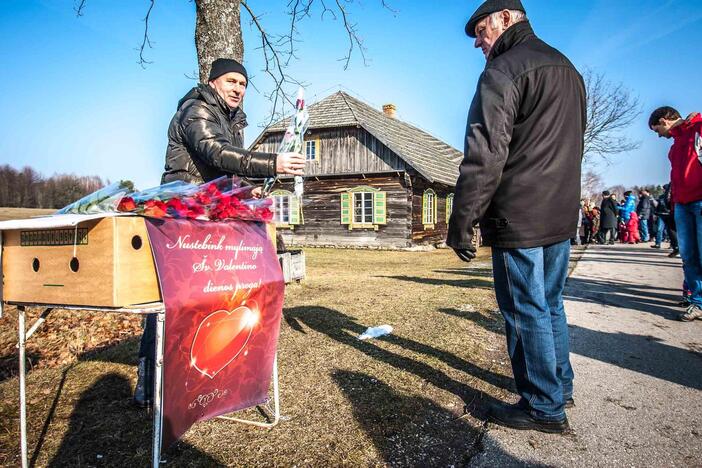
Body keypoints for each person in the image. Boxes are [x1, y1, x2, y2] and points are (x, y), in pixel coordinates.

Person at [134, 58, 306, 407]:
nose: (238, 89)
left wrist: (247, 188)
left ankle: (201, 370)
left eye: (243, 85)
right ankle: (149, 380)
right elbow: (214, 151)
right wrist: (271, 163)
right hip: (182, 213)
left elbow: (224, 169)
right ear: (213, 82)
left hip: (212, 214)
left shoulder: (233, 121)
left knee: (212, 295)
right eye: (231, 81)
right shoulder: (195, 109)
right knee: (171, 298)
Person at [448, 0, 585, 433]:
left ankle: (543, 406)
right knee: (550, 303)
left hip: (520, 213)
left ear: (507, 18)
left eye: (481, 30)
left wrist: (461, 221)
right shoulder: (567, 68)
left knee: (525, 309)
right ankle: (559, 385)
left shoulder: (503, 71)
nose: (477, 41)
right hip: (559, 210)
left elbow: (485, 154)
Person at [649, 107, 702, 321]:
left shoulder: (698, 129)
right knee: (689, 256)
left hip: (699, 201)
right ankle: (696, 301)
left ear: (664, 120)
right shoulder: (675, 146)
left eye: (657, 130)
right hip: (682, 205)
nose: (659, 135)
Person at [652, 183, 679, 256]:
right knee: (660, 230)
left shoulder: (671, 194)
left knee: (672, 230)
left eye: (665, 189)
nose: (664, 190)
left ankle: (675, 246)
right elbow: (658, 206)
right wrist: (656, 211)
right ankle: (658, 243)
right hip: (661, 215)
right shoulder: (661, 197)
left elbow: (669, 202)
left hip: (669, 213)